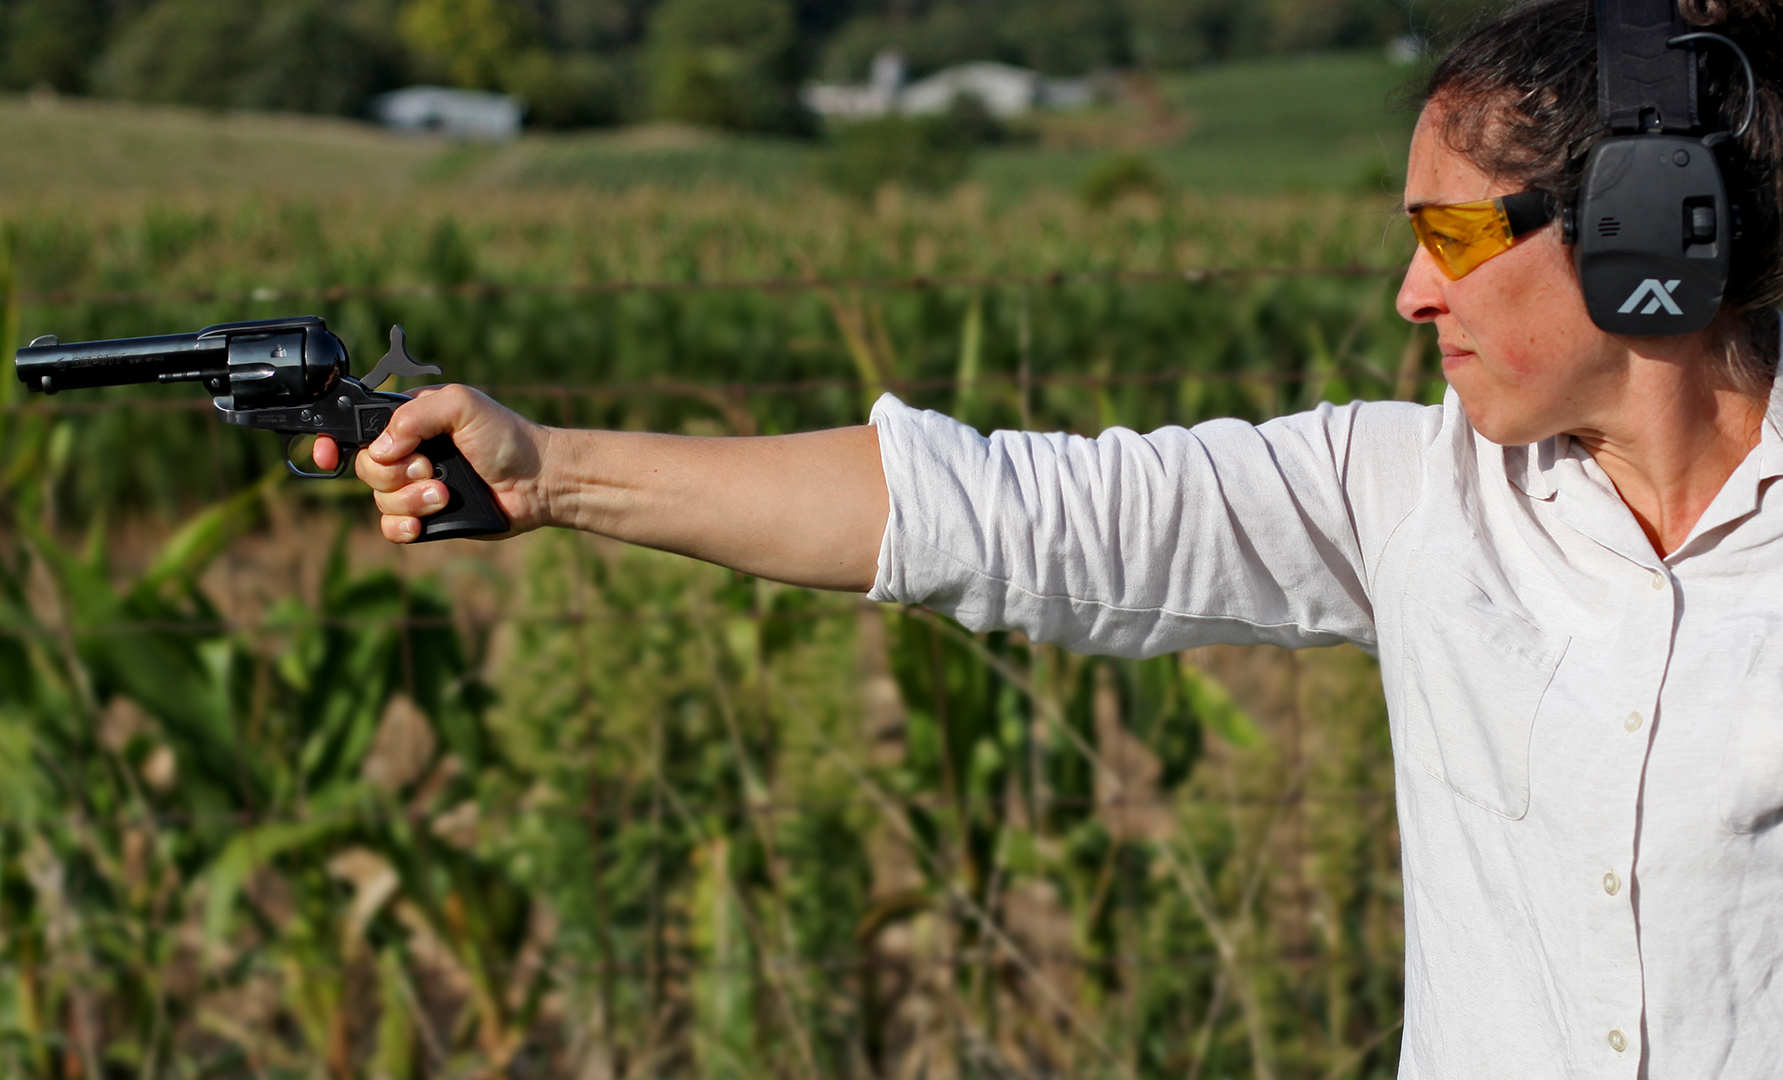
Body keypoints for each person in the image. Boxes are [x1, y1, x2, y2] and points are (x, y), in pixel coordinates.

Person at [316, 0, 1783, 1073]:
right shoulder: (1402, 493)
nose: (1410, 291)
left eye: (1454, 236)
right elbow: (995, 514)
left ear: (1649, 227)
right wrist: (553, 473)